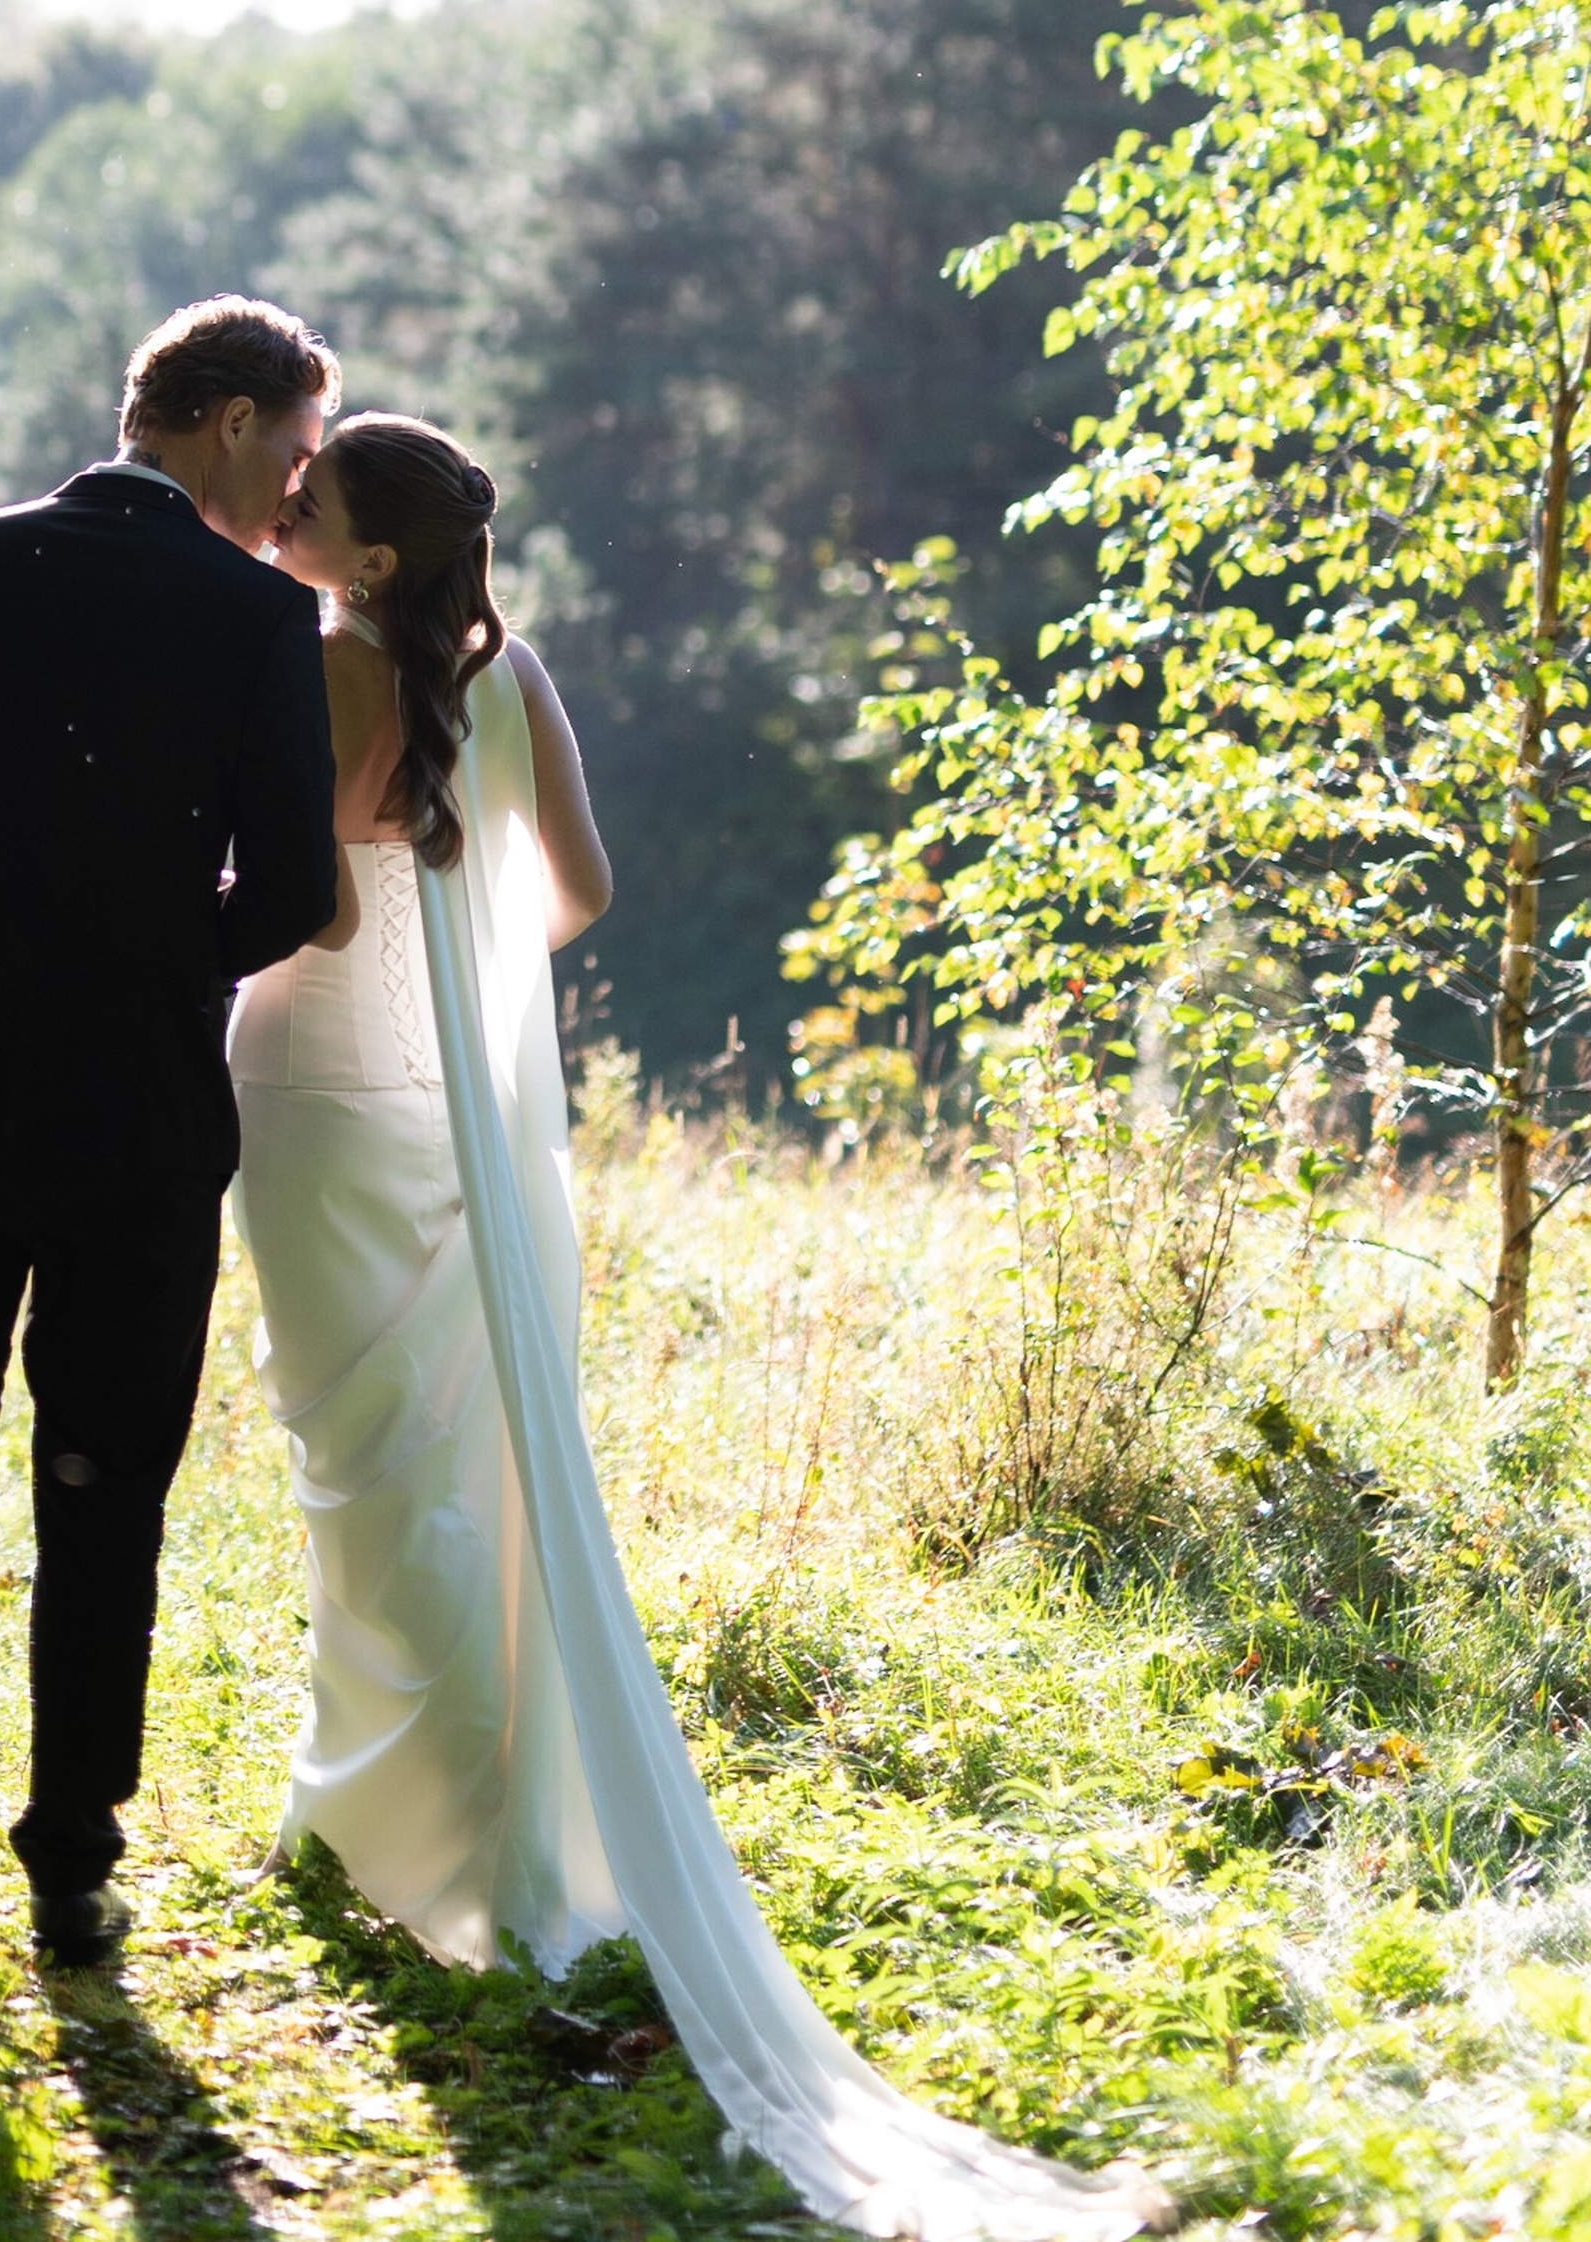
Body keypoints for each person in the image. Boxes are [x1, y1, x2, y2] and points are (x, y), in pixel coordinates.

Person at [234, 415, 1157, 2242]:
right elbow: (573, 891)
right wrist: (465, 920)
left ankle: (415, 1813)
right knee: (451, 1433)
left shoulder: (311, 666)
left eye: (310, 501)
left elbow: (312, 898)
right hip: (453, 1107)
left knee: (355, 1447)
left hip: (319, 1090)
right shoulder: (512, 675)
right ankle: (424, 1803)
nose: (283, 511)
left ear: (374, 556)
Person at [0, 293, 340, 2000]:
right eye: (299, 446)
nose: (299, 488)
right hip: (134, 1119)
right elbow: (290, 892)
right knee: (104, 1491)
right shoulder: (253, 613)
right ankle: (71, 1870)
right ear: (232, 416)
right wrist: (154, 954)